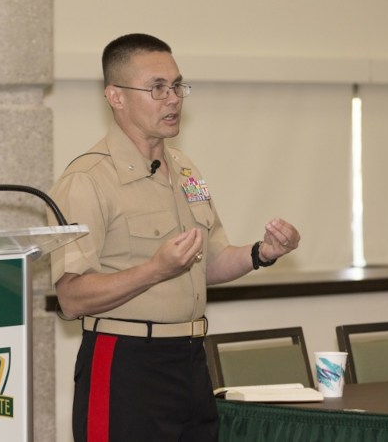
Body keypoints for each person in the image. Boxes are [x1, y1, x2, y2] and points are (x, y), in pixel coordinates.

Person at [48, 33, 300, 442]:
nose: (173, 99)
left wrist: (261, 253)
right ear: (116, 97)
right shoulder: (86, 180)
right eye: (157, 88)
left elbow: (209, 262)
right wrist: (153, 271)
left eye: (177, 85)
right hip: (124, 362)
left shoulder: (186, 171)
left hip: (189, 360)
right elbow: (72, 297)